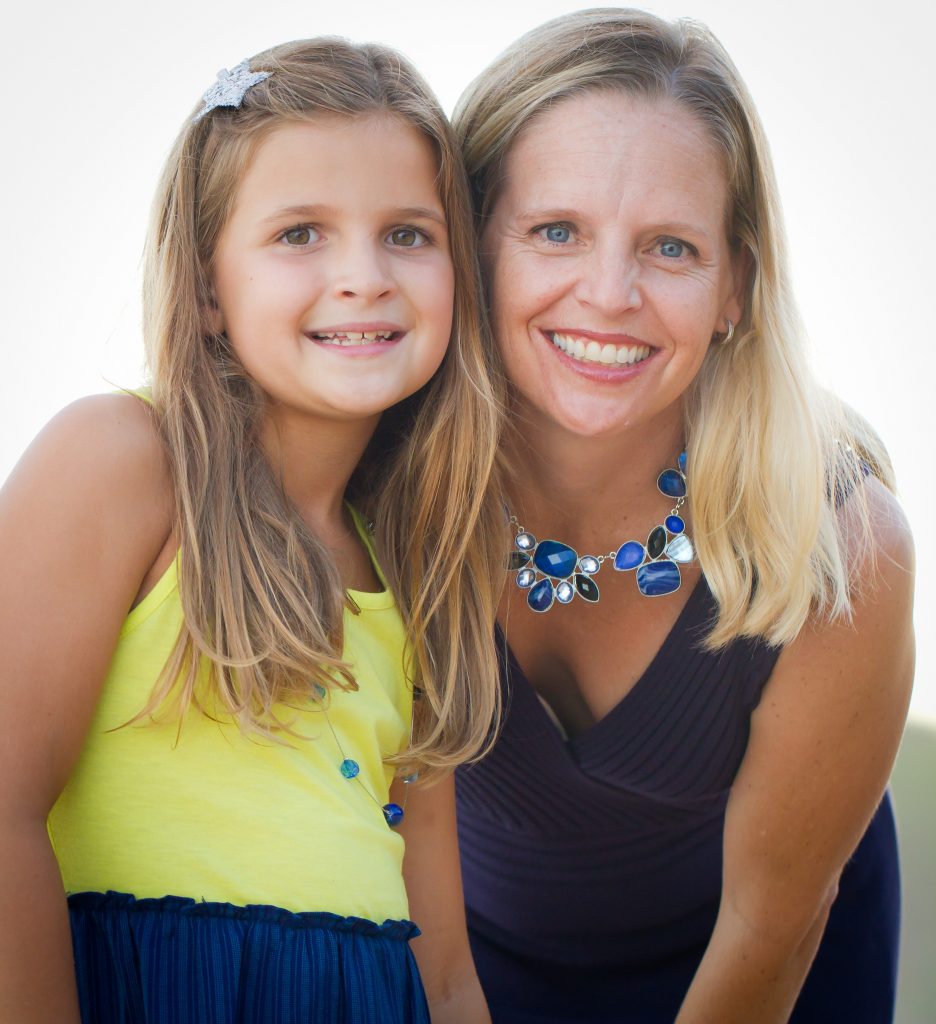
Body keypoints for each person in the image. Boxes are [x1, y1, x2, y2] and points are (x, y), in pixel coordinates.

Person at [0, 37, 506, 1024]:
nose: (363, 275)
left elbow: (444, 966)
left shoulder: (424, 562)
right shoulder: (122, 460)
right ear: (203, 284)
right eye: (300, 234)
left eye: (408, 232)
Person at [453, 9, 915, 1023]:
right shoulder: (394, 495)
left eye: (669, 247)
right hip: (468, 970)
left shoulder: (840, 544)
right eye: (555, 230)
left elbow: (772, 926)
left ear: (735, 284)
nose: (609, 293)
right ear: (471, 241)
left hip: (764, 973)